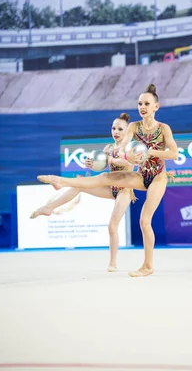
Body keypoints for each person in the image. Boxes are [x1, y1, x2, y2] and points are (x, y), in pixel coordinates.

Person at [36, 84, 178, 277]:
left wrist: (148, 151)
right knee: (103, 177)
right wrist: (126, 156)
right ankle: (62, 181)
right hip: (141, 176)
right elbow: (121, 148)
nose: (142, 106)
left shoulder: (163, 129)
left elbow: (174, 153)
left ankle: (148, 266)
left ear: (156, 106)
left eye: (147, 103)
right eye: (139, 103)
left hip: (158, 177)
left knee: (145, 221)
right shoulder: (134, 127)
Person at [30, 113, 136, 272]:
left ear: (127, 131)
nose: (116, 131)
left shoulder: (129, 147)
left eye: (120, 129)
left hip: (125, 191)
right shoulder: (108, 148)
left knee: (112, 226)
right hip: (110, 186)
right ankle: (49, 208)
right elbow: (100, 166)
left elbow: (127, 162)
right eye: (114, 128)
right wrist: (91, 164)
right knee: (78, 186)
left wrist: (109, 160)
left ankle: (113, 262)